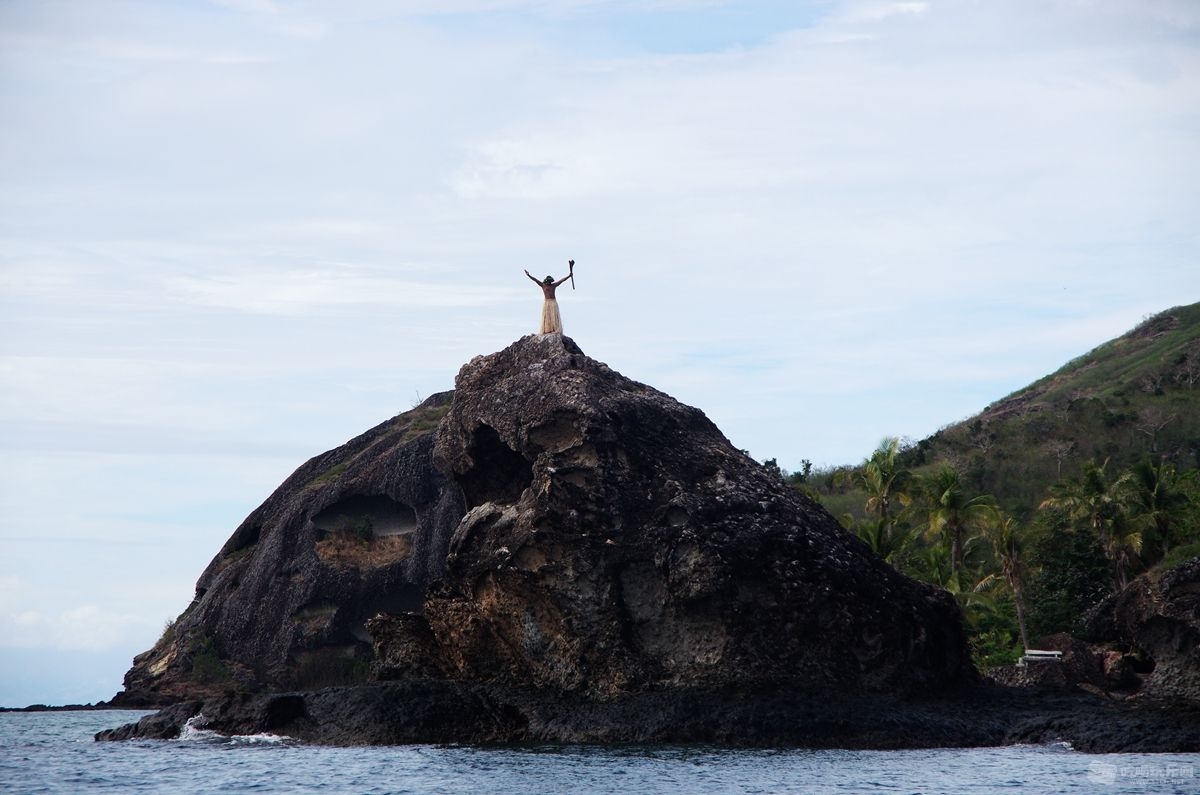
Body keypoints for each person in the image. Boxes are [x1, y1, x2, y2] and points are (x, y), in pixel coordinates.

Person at [524, 263, 573, 334]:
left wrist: (569, 276)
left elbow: (562, 280)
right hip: (546, 302)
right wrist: (529, 275)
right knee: (547, 316)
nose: (549, 284)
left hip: (553, 302)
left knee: (554, 316)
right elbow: (535, 280)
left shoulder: (554, 285)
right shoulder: (543, 285)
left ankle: (554, 329)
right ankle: (547, 329)